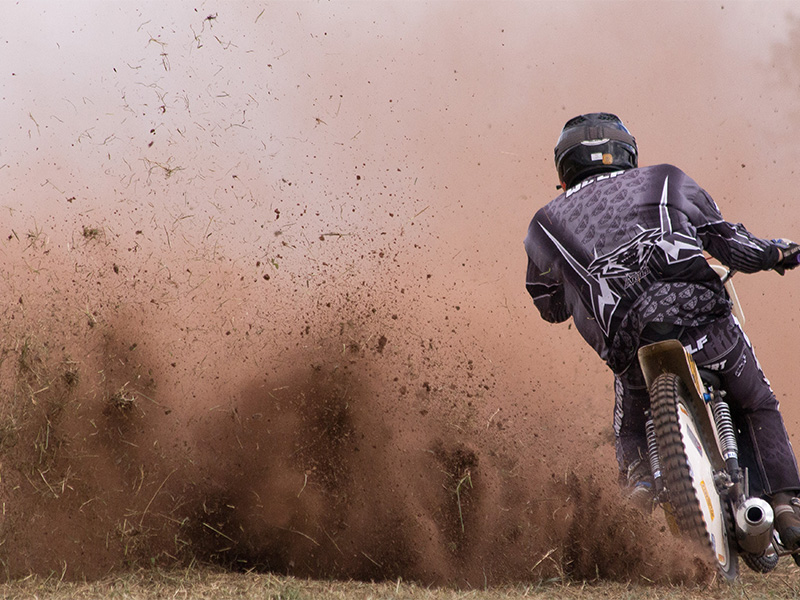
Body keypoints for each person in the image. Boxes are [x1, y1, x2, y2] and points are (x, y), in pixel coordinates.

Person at [524, 112, 800, 551]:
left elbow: (548, 306)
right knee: (756, 401)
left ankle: (634, 501)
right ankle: (786, 508)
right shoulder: (666, 180)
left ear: (563, 170)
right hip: (704, 321)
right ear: (629, 155)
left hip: (630, 348)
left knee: (631, 433)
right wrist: (778, 254)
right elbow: (729, 243)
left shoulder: (544, 225)